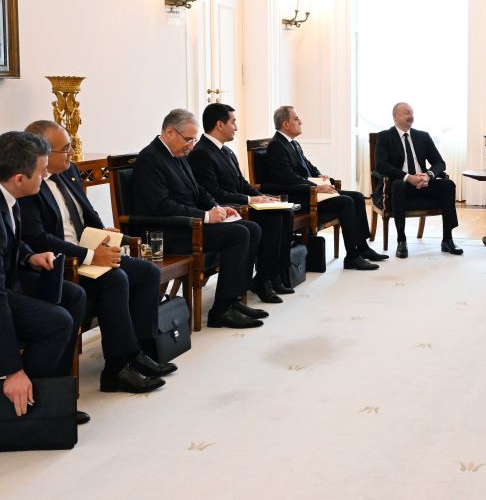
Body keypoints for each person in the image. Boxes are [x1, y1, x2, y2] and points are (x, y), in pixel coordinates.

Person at [19, 121, 172, 393]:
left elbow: (89, 214)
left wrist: (104, 232)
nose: (71, 154)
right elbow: (39, 238)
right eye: (65, 149)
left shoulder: (70, 172)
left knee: (148, 272)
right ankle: (116, 369)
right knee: (115, 278)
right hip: (62, 262)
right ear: (41, 153)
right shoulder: (31, 183)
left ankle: (138, 351)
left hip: (88, 250)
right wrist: (90, 255)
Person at [132, 109, 267, 328]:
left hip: (189, 224)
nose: (192, 145)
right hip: (168, 231)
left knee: (252, 228)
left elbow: (198, 191)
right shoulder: (150, 158)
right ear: (169, 132)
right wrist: (205, 216)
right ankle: (221, 310)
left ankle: (233, 300)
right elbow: (161, 206)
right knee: (239, 233)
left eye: (194, 139)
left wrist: (218, 208)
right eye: (188, 139)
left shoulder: (179, 154)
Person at [1, 131, 90, 424]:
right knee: (57, 320)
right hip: (3, 293)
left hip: (11, 282)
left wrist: (29, 256)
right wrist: (12, 370)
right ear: (19, 178)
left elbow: (15, 240)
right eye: (40, 173)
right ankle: (26, 399)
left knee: (74, 296)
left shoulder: (10, 197)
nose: (44, 177)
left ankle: (54, 392)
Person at [188, 104, 295, 300]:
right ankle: (262, 280)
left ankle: (274, 274)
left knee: (284, 212)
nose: (236, 127)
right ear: (220, 125)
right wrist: (250, 199)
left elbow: (241, 183)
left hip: (242, 204)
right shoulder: (201, 153)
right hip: (229, 208)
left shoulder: (226, 151)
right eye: (233, 122)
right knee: (272, 220)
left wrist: (263, 197)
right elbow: (214, 193)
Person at [266, 105, 386, 270]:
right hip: (299, 195)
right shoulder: (276, 145)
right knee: (346, 202)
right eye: (296, 119)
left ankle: (363, 248)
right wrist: (316, 187)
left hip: (311, 190)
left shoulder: (293, 144)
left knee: (357, 197)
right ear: (285, 124)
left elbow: (309, 167)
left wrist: (322, 178)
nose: (300, 121)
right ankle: (352, 256)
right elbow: (287, 178)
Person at [373, 102, 463, 259]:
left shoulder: (422, 136)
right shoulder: (385, 137)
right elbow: (381, 165)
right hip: (400, 185)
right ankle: (402, 240)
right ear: (395, 117)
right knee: (399, 185)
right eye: (407, 113)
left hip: (423, 183)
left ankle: (447, 239)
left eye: (412, 113)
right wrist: (408, 177)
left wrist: (428, 175)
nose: (411, 116)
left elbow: (439, 163)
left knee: (447, 185)